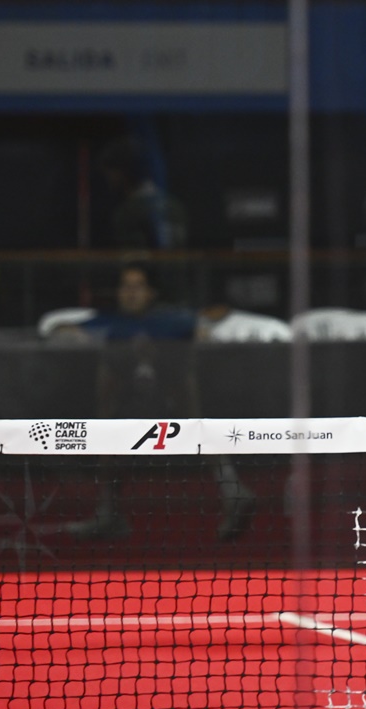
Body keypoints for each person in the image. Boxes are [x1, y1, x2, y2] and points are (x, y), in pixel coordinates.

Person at [61, 263, 254, 541]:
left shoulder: (172, 321)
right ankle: (109, 514)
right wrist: (72, 334)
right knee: (106, 425)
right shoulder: (109, 322)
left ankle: (233, 491)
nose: (130, 293)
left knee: (194, 410)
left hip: (174, 406)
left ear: (151, 293)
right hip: (125, 409)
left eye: (137, 286)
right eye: (125, 287)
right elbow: (63, 329)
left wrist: (203, 328)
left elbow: (212, 317)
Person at [98, 137, 189, 249]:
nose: (108, 178)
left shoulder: (128, 213)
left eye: (111, 171)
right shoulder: (175, 206)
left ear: (123, 171)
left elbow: (134, 264)